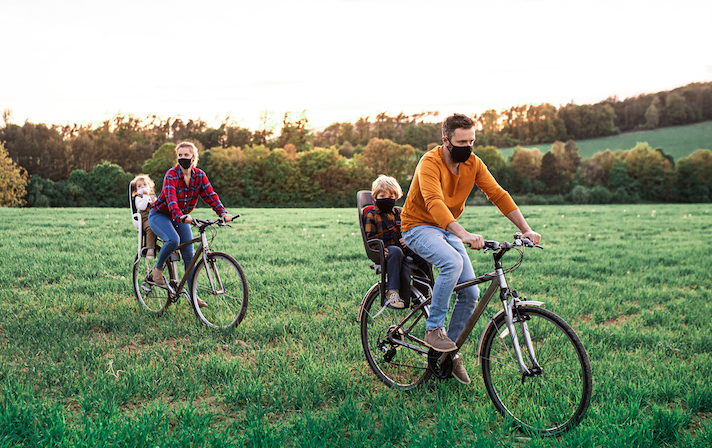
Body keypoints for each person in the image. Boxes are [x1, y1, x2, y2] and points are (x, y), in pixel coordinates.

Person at [400, 113, 541, 385]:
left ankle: (447, 354)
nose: (468, 146)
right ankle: (434, 330)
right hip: (417, 226)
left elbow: (498, 194)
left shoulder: (473, 163)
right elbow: (434, 202)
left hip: (447, 228)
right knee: (452, 262)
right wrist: (462, 233)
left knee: (471, 293)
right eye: (462, 141)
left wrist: (526, 228)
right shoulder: (429, 162)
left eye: (472, 140)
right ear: (446, 140)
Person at [148, 141, 233, 308]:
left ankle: (193, 297)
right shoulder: (171, 175)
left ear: (194, 158)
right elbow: (171, 201)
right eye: (180, 155)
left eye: (186, 155)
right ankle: (157, 271)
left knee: (190, 256)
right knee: (173, 240)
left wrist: (222, 212)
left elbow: (210, 196)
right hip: (160, 214)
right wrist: (180, 216)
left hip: (181, 216)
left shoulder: (199, 176)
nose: (183, 158)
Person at [363, 175, 421, 309]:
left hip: (403, 246)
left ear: (396, 197)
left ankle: (423, 292)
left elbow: (411, 229)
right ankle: (392, 292)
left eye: (391, 197)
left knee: (422, 253)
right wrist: (378, 249)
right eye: (382, 196)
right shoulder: (372, 215)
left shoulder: (400, 212)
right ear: (375, 197)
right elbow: (371, 237)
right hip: (386, 249)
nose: (386, 200)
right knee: (395, 251)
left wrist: (408, 239)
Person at [130, 174, 158, 259]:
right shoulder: (138, 198)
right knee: (150, 227)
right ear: (136, 190)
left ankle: (170, 248)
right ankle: (150, 249)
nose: (142, 187)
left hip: (155, 217)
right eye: (139, 186)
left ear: (149, 186)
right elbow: (142, 207)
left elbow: (157, 205)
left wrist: (153, 198)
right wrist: (145, 196)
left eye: (145, 185)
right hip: (145, 219)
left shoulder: (152, 197)